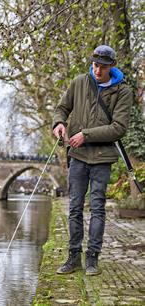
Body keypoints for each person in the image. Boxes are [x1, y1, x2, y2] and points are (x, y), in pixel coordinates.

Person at [53, 45, 133, 276]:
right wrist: (59, 123)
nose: (98, 70)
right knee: (74, 208)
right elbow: (62, 108)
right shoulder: (79, 82)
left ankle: (92, 260)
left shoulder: (123, 92)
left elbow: (119, 128)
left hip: (102, 158)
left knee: (97, 208)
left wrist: (86, 135)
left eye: (103, 67)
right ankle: (73, 257)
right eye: (95, 65)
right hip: (77, 156)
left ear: (111, 67)